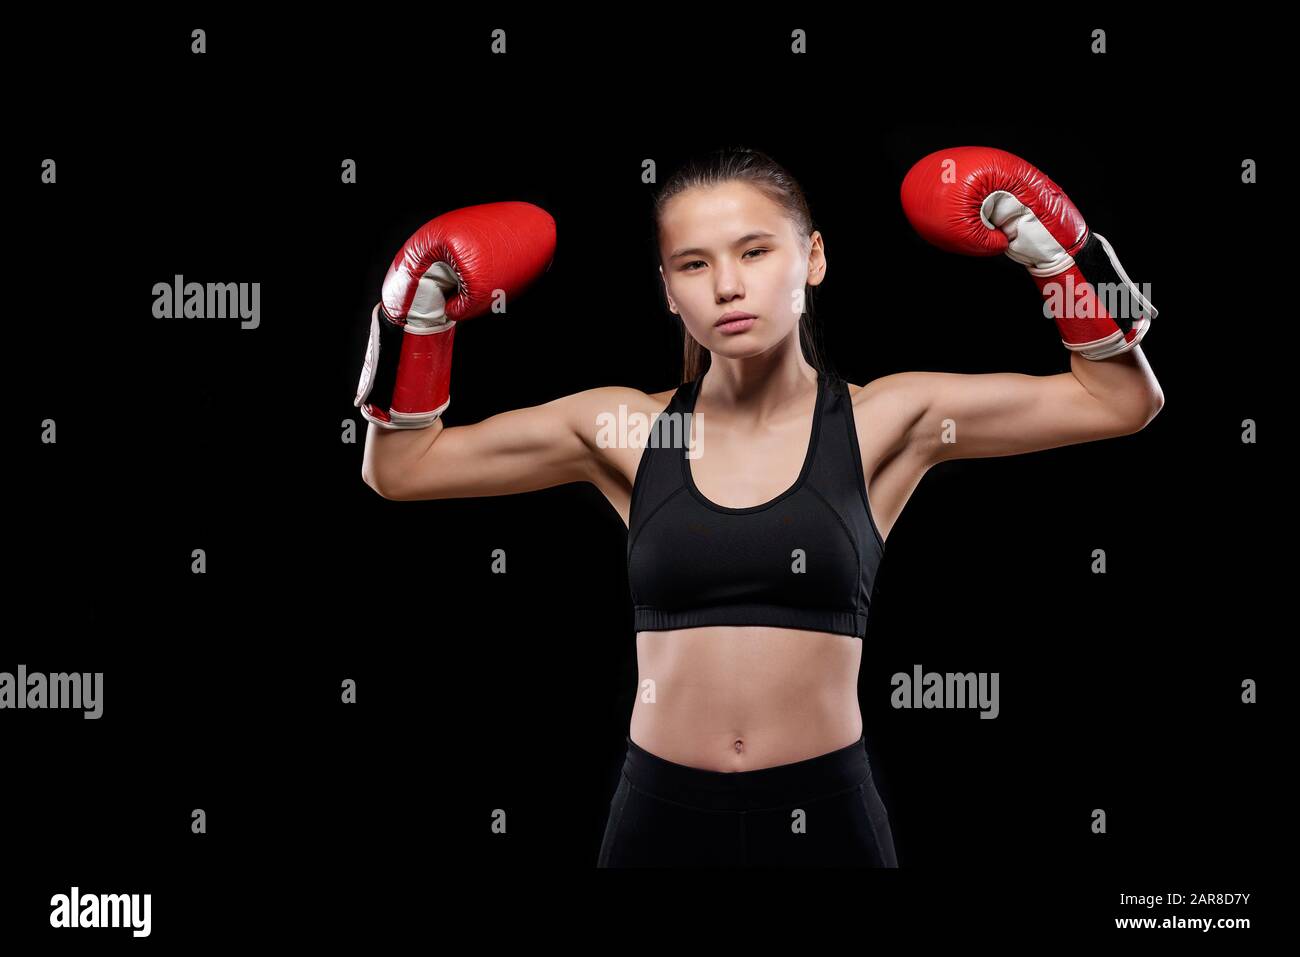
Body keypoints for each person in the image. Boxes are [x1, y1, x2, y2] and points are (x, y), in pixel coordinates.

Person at [359, 146, 1164, 867]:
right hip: (657, 815)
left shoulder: (889, 417)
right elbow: (402, 467)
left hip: (829, 811)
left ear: (812, 259)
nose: (729, 285)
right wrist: (415, 318)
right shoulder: (622, 429)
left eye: (755, 250)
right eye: (694, 264)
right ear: (668, 291)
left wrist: (1059, 255)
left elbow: (1119, 400)